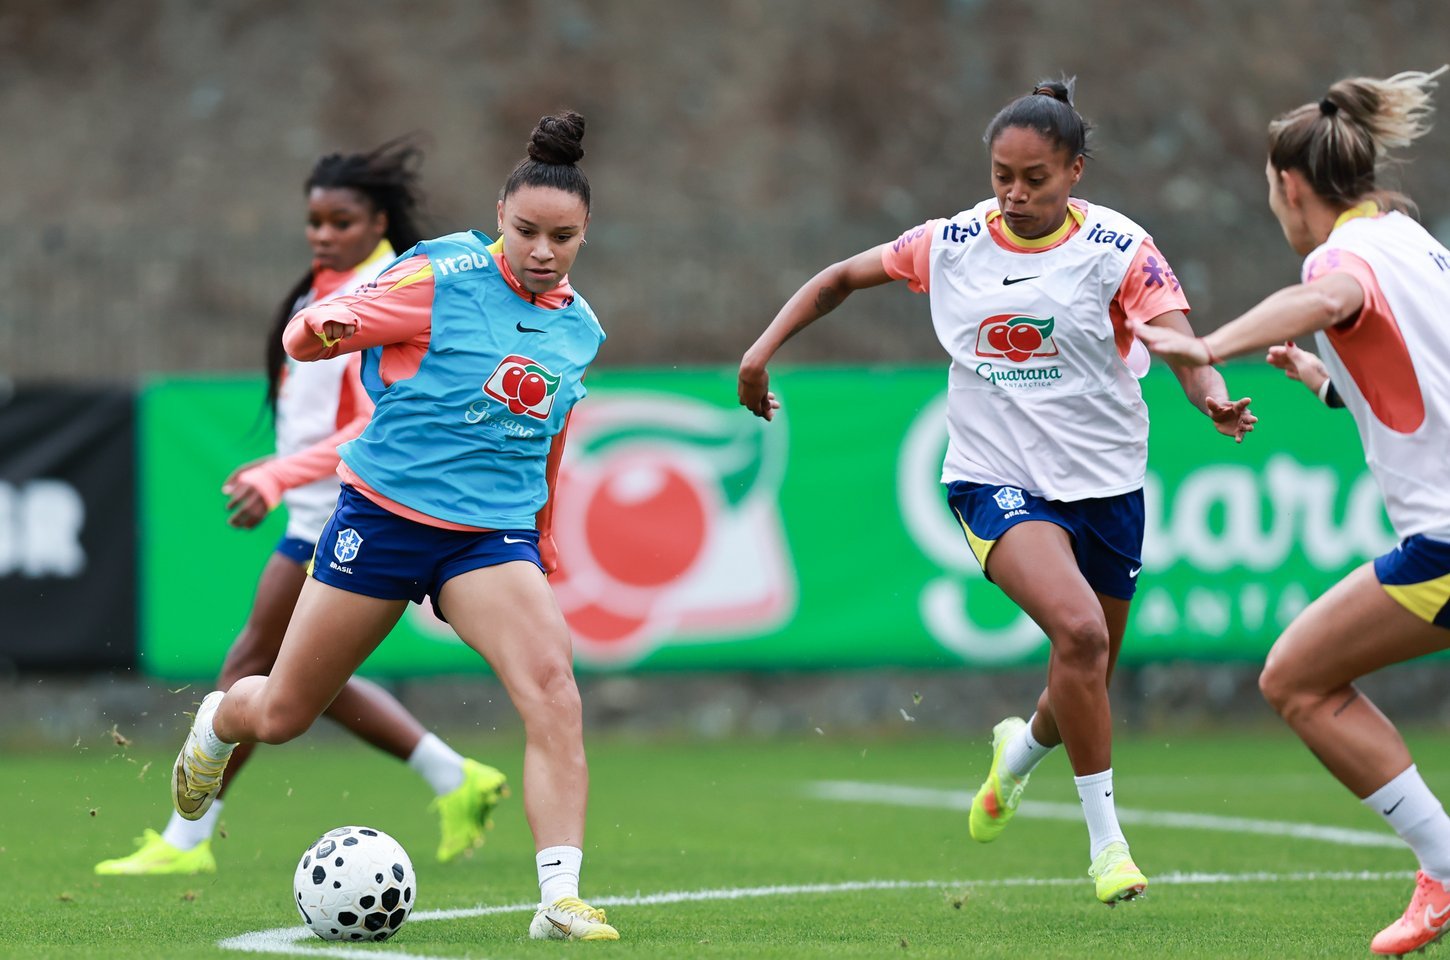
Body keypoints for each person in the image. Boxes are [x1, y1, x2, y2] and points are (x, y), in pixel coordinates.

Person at [738, 79, 1256, 905]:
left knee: (1083, 674)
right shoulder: (951, 241)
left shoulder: (1120, 249)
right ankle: (1108, 848)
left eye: (1035, 179)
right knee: (1081, 635)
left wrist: (1211, 396)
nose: (1014, 195)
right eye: (1001, 176)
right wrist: (760, 351)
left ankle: (1014, 760)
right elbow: (839, 277)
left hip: (1108, 488)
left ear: (1075, 172)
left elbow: (1180, 341)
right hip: (994, 480)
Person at [167, 111, 618, 942]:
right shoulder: (439, 274)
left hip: (488, 538)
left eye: (563, 236)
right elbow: (309, 333)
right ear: (499, 218)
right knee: (283, 715)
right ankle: (216, 723)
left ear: (586, 232)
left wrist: (545, 532)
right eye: (526, 232)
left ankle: (559, 898)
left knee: (553, 690)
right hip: (383, 518)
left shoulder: (578, 327)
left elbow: (552, 435)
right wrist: (326, 328)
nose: (543, 251)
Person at [97, 140, 508, 877]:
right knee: (301, 675)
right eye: (315, 220)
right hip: (318, 507)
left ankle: (186, 839)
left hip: (350, 512)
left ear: (378, 219)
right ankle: (455, 776)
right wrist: (280, 468)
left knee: (252, 663)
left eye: (340, 220)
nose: (322, 233)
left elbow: (378, 419)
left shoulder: (390, 292)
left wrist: (284, 474)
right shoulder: (327, 287)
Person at [1134, 67, 1450, 956]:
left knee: (1296, 680)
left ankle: (1444, 867)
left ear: (1291, 187)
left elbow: (1324, 298)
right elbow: (1417, 371)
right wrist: (1324, 382)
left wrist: (1206, 343)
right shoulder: (1411, 239)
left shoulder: (1338, 258)